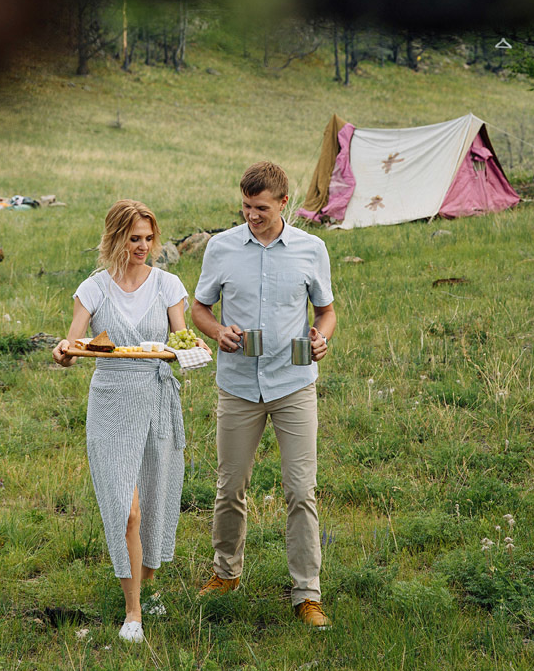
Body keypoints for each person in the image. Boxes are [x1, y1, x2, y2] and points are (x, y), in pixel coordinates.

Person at [191, 161, 336, 628]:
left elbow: (326, 311)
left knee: (300, 490)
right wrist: (216, 331)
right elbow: (199, 307)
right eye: (246, 207)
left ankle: (306, 595)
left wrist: (320, 337)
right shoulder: (222, 248)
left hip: (293, 385)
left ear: (283, 204)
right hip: (237, 386)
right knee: (230, 486)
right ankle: (225, 573)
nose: (251, 216)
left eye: (261, 208)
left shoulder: (312, 250)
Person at [53, 199, 190, 643]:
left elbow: (182, 340)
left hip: (155, 396)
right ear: (116, 238)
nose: (144, 247)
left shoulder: (168, 285)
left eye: (149, 239)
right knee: (125, 509)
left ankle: (146, 586)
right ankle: (133, 613)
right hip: (111, 402)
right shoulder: (93, 289)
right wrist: (63, 351)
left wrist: (187, 351)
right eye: (135, 239)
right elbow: (74, 343)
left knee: (153, 502)